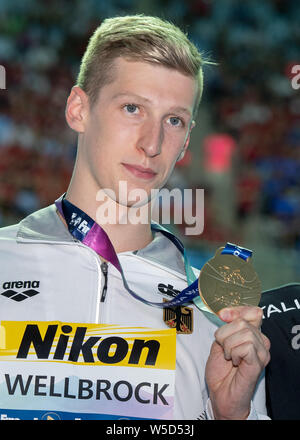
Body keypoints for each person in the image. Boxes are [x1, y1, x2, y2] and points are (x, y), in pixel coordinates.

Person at [0, 14, 270, 420]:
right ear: (78, 110)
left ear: (186, 142)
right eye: (132, 108)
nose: (152, 143)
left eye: (173, 121)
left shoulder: (214, 317)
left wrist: (230, 414)